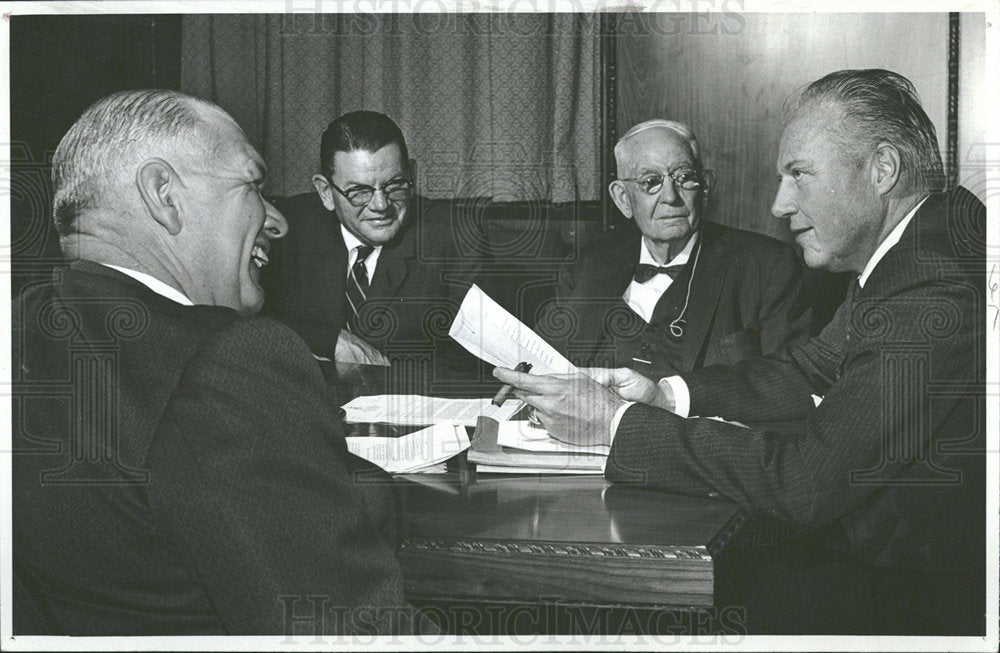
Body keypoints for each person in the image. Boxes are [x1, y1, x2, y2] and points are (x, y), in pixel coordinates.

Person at [495, 69, 986, 635]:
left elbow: (803, 483)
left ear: (882, 169)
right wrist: (665, 393)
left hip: (904, 594)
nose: (779, 204)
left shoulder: (930, 286)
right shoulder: (915, 249)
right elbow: (810, 368)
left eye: (799, 174)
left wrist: (616, 423)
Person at [12, 90, 424, 635]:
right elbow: (354, 628)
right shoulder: (232, 362)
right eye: (253, 187)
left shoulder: (21, 324)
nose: (276, 221)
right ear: (165, 195)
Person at [537, 120, 813, 379]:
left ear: (703, 188)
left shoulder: (767, 266)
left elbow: (786, 384)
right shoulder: (588, 265)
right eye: (650, 182)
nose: (670, 197)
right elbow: (547, 367)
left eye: (684, 177)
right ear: (623, 199)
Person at [262, 110, 484, 388]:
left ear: (412, 175)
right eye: (359, 192)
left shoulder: (452, 236)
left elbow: (475, 364)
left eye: (395, 185)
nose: (381, 205)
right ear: (326, 193)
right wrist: (326, 339)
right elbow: (241, 321)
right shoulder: (285, 230)